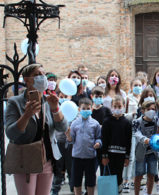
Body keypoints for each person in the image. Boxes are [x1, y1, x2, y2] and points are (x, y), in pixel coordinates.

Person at [5, 64, 67, 195]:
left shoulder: (48, 101)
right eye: (37, 74)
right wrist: (26, 115)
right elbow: (11, 133)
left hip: (47, 160)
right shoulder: (14, 102)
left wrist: (55, 108)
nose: (42, 77)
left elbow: (62, 128)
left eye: (43, 74)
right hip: (25, 160)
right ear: (26, 80)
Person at [68, 98, 101, 195]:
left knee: (90, 181)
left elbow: (98, 137)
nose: (85, 110)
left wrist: (98, 143)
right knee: (76, 180)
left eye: (88, 108)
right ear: (79, 109)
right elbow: (71, 140)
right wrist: (68, 137)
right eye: (83, 108)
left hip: (90, 157)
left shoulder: (95, 124)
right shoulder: (74, 123)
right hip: (77, 156)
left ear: (91, 109)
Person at [101, 95, 133, 191]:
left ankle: (118, 190)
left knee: (119, 176)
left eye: (119, 107)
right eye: (115, 106)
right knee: (110, 175)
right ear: (111, 107)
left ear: (123, 106)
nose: (117, 109)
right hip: (110, 154)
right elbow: (104, 139)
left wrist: (127, 157)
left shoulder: (126, 123)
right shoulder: (107, 122)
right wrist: (104, 156)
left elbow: (128, 141)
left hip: (121, 155)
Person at [133, 101, 159, 195]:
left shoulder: (156, 120)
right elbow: (137, 133)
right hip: (141, 153)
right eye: (148, 109)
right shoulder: (137, 122)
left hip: (153, 152)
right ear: (143, 111)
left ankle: (149, 193)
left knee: (151, 175)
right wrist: (144, 139)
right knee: (139, 175)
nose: (151, 111)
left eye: (153, 109)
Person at [51, 90, 73, 195]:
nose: (64, 98)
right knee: (58, 168)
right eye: (61, 96)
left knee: (71, 168)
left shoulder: (73, 109)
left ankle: (74, 188)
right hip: (58, 141)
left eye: (66, 96)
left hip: (70, 143)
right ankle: (55, 189)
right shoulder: (55, 110)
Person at [90, 86, 111, 175]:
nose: (98, 98)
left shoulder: (106, 110)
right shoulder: (89, 110)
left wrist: (104, 126)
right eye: (96, 96)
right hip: (91, 139)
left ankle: (103, 180)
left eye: (100, 97)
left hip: (103, 140)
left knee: (103, 163)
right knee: (91, 164)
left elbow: (110, 124)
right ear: (92, 96)